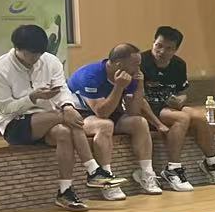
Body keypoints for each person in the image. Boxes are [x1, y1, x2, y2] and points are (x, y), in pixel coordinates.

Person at [0, 24, 125, 210]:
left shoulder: (50, 62)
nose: (36, 59)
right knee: (65, 117)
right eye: (31, 54)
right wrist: (33, 97)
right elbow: (5, 109)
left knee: (64, 131)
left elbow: (62, 90)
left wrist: (67, 105)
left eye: (39, 54)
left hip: (49, 118)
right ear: (17, 48)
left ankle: (65, 191)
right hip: (14, 124)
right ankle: (93, 170)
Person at [141, 26, 215, 190]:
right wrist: (158, 123)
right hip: (147, 108)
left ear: (175, 50)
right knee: (182, 118)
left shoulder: (179, 64)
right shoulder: (141, 62)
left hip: (168, 106)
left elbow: (182, 92)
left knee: (200, 117)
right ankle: (173, 168)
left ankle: (211, 163)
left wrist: (181, 99)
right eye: (159, 46)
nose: (162, 51)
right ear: (153, 42)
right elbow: (137, 98)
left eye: (169, 48)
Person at [69, 44, 165, 195]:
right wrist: (119, 87)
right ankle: (106, 179)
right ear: (119, 64)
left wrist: (139, 86)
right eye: (135, 64)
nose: (139, 68)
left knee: (139, 122)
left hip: (110, 111)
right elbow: (102, 113)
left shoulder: (131, 75)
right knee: (105, 125)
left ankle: (146, 173)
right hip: (80, 115)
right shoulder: (90, 76)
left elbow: (133, 111)